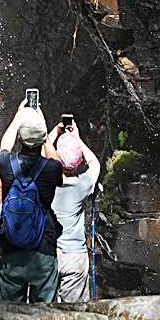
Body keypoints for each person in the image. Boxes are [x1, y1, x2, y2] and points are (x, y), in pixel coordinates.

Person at [0, 97, 63, 303]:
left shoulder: (6, 164)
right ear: (41, 139)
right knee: (44, 315)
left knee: (9, 314)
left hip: (9, 248)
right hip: (42, 249)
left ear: (20, 139)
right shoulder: (51, 169)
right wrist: (44, 133)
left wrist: (19, 117)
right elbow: (57, 161)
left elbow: (4, 146)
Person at [51, 119, 101, 302]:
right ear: (79, 160)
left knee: (45, 310)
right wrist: (77, 139)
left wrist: (56, 132)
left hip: (48, 254)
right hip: (75, 256)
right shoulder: (82, 184)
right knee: (74, 312)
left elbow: (38, 153)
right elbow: (95, 163)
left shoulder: (46, 181)